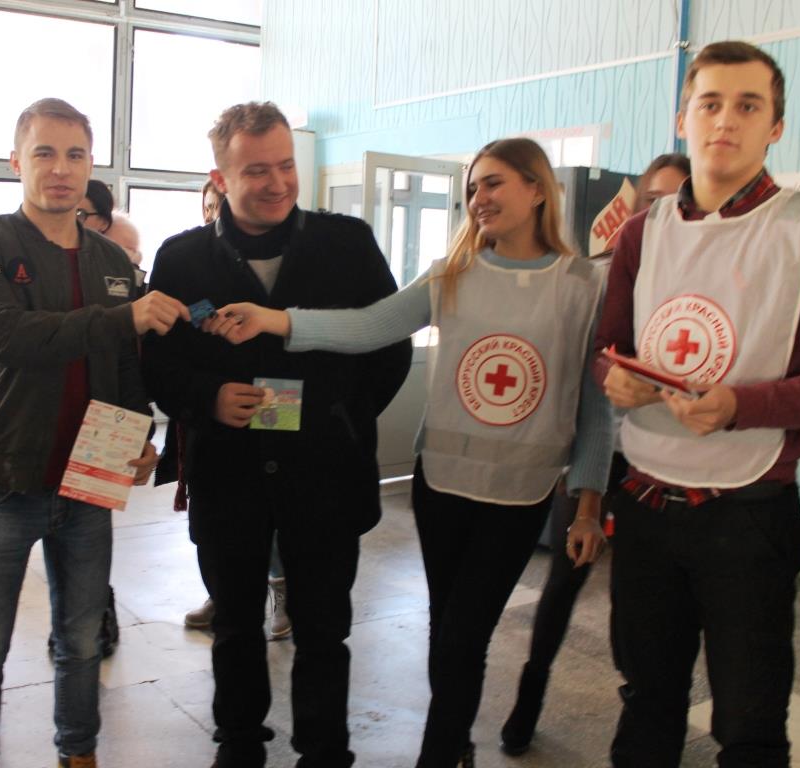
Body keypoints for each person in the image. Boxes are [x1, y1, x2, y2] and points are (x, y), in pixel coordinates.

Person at [205, 136, 615, 768]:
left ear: (537, 188)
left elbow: (595, 405)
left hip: (520, 493)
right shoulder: (453, 273)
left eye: (494, 183)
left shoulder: (584, 284)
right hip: (442, 485)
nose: (479, 198)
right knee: (445, 630)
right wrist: (278, 320)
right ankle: (456, 741)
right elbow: (372, 325)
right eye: (473, 187)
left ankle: (439, 753)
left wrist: (587, 505)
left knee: (463, 637)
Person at [141, 101, 413, 768]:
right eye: (257, 170)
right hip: (227, 476)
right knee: (235, 627)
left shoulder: (347, 244)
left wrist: (338, 417)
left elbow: (389, 348)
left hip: (325, 476)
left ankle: (325, 750)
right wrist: (207, 398)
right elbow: (157, 363)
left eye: (286, 165)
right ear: (220, 178)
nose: (278, 183)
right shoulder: (182, 259)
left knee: (323, 630)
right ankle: (239, 745)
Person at [595, 41, 800, 768]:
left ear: (776, 127)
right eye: (709, 103)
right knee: (647, 701)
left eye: (747, 105)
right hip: (644, 503)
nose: (725, 121)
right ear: (683, 120)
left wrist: (741, 405)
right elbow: (607, 347)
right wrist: (613, 377)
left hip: (749, 513)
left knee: (749, 720)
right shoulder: (642, 232)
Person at [0, 97, 189, 768]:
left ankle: (78, 753)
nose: (61, 169)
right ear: (16, 162)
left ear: (90, 165)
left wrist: (139, 434)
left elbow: (124, 362)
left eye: (75, 154)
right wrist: (123, 318)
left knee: (82, 641)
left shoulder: (110, 258)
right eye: (45, 153)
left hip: (91, 478)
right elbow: (7, 337)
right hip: (5, 478)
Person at [498, 151, 690, 757]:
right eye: (652, 200)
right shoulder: (602, 275)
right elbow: (581, 379)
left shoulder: (699, 285)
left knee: (639, 604)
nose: (662, 212)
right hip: (594, 461)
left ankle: (642, 712)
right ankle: (530, 695)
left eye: (676, 200)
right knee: (563, 582)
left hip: (661, 470)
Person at [180, 172, 290, 639]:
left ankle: (282, 589)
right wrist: (204, 319)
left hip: (278, 399)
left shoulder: (294, 253)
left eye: (219, 205)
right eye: (209, 207)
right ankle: (222, 593)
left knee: (276, 504)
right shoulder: (189, 257)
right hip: (216, 415)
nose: (215, 214)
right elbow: (182, 323)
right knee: (216, 521)